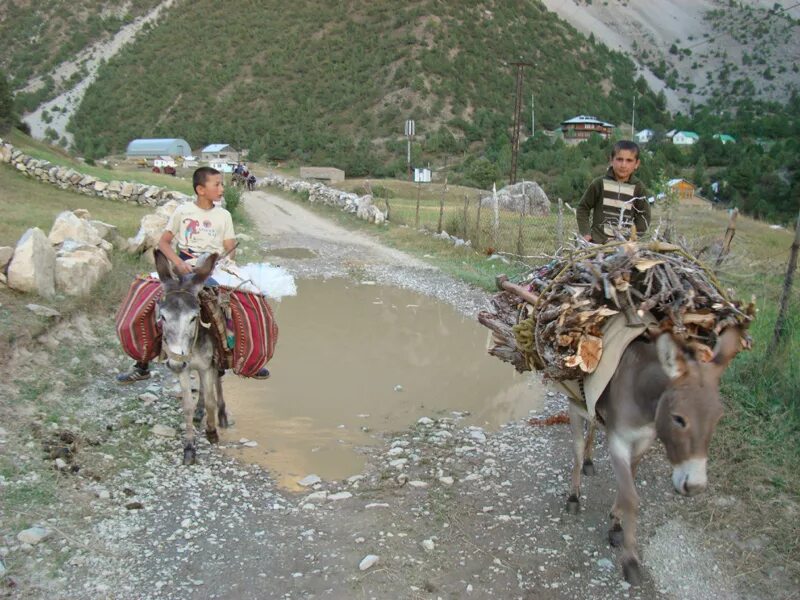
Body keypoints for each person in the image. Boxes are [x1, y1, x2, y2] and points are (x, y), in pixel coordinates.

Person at [117, 166, 270, 383]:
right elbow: (164, 242)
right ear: (200, 189)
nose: (221, 188)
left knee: (245, 297)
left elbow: (229, 247)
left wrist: (217, 260)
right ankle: (142, 363)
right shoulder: (183, 212)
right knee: (148, 296)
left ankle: (245, 358)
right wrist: (178, 263)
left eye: (221, 184)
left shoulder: (224, 215)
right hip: (184, 266)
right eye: (216, 184)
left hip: (214, 267)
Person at [576, 140, 650, 244]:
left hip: (624, 244)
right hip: (597, 243)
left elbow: (644, 216)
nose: (623, 165)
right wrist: (586, 234)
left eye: (629, 160)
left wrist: (634, 237)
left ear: (636, 163)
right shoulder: (600, 183)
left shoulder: (638, 187)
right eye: (619, 159)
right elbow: (583, 208)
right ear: (611, 160)